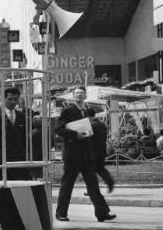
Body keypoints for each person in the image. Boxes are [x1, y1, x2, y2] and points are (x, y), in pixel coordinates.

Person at [55, 86, 115, 223]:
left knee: (93, 185)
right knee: (67, 185)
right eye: (77, 93)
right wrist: (75, 134)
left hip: (87, 156)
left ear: (85, 95)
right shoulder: (68, 111)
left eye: (82, 93)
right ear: (73, 95)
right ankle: (61, 213)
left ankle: (102, 213)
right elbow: (59, 129)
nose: (80, 95)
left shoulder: (87, 111)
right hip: (72, 155)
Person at [0, 86, 31, 181]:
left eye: (16, 99)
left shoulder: (22, 117)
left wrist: (24, 154)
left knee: (21, 187)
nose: (13, 102)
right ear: (3, 99)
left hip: (18, 160)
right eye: (10, 99)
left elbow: (24, 137)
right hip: (0, 159)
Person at [86, 107, 114, 193]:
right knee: (100, 169)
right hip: (102, 151)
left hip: (93, 152)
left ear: (88, 116)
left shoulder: (91, 126)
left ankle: (92, 190)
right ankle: (109, 181)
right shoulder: (102, 125)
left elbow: (88, 140)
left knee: (90, 172)